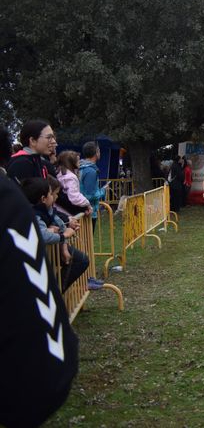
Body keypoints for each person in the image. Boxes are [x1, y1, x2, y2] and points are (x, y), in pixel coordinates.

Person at [0, 126, 79, 427]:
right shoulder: (16, 182)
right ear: (30, 141)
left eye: (56, 137)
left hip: (33, 377)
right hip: (42, 372)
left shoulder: (9, 197)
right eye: (49, 137)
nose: (54, 141)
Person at [23, 176, 90, 293]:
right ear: (43, 198)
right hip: (33, 256)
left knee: (81, 259)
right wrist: (63, 236)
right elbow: (43, 236)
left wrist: (64, 246)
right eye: (51, 194)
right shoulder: (33, 214)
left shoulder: (47, 209)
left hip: (46, 251)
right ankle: (52, 295)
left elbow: (59, 223)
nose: (55, 197)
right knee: (80, 260)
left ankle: (54, 293)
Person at [55, 150, 93, 218]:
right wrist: (87, 203)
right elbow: (74, 196)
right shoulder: (70, 177)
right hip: (67, 213)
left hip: (60, 209)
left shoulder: (59, 173)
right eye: (77, 160)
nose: (80, 162)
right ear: (71, 162)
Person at [79, 141, 107, 230]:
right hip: (88, 212)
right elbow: (89, 195)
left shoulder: (82, 167)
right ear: (96, 152)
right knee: (87, 242)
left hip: (84, 211)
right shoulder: (90, 171)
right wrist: (103, 191)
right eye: (99, 150)